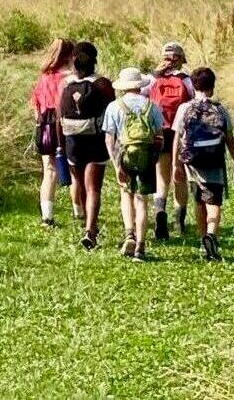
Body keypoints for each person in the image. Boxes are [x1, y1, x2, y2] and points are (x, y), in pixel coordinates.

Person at [173, 67, 234, 262]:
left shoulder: (184, 109)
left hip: (192, 163)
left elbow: (177, 138)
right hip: (214, 162)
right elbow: (229, 139)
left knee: (199, 201)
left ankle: (204, 240)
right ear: (212, 87)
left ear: (193, 86)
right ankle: (212, 234)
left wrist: (175, 165)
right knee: (214, 202)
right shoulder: (220, 109)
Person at [105, 67, 165, 262]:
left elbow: (109, 139)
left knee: (126, 194)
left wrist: (116, 165)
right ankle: (140, 246)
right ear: (140, 86)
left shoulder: (115, 106)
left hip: (125, 156)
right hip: (146, 156)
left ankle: (129, 234)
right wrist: (154, 157)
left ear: (122, 87)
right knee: (142, 200)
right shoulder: (152, 106)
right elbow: (159, 137)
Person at [58, 42, 114, 250]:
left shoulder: (65, 85)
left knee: (79, 183)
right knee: (94, 188)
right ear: (94, 60)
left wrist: (61, 146)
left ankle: (85, 221)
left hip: (72, 140)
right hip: (95, 140)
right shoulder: (102, 84)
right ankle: (91, 229)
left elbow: (58, 116)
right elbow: (111, 112)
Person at [144, 42, 195, 240]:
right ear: (182, 60)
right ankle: (179, 222)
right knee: (179, 175)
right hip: (181, 132)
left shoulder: (151, 80)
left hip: (159, 131)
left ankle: (160, 213)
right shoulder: (188, 81)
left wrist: (155, 74)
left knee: (161, 175)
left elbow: (138, 97)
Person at [31, 38, 75, 228]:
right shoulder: (68, 78)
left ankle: (47, 217)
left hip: (43, 125)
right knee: (74, 167)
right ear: (69, 56)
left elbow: (35, 105)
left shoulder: (44, 77)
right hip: (62, 124)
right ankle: (79, 210)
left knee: (49, 171)